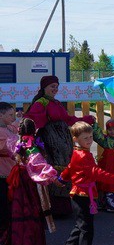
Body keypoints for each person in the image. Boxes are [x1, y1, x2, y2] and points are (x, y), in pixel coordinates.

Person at [25, 75, 96, 218]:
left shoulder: (56, 103)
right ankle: (54, 208)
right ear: (44, 88)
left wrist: (84, 119)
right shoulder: (41, 103)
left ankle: (64, 206)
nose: (55, 89)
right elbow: (32, 119)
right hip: (51, 143)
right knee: (55, 169)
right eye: (52, 86)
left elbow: (68, 119)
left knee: (66, 168)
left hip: (63, 141)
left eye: (56, 87)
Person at [60, 122, 114, 245]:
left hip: (81, 194)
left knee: (82, 224)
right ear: (75, 139)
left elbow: (70, 168)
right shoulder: (83, 155)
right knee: (87, 228)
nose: (89, 140)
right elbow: (96, 172)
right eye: (85, 138)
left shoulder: (79, 152)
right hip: (82, 195)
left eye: (91, 137)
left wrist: (62, 179)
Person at [1, 118, 61, 245]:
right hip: (29, 181)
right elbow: (40, 165)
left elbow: (12, 154)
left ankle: (16, 243)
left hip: (19, 179)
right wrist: (54, 177)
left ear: (19, 130)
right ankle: (29, 244)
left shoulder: (15, 142)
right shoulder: (33, 147)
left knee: (17, 208)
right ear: (35, 131)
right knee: (31, 209)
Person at [0, 102, 19, 236]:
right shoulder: (1, 131)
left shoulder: (9, 127)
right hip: (3, 171)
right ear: (1, 115)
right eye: (10, 115)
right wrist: (19, 147)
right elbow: (5, 148)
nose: (13, 117)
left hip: (10, 170)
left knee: (9, 201)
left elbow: (17, 127)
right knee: (3, 202)